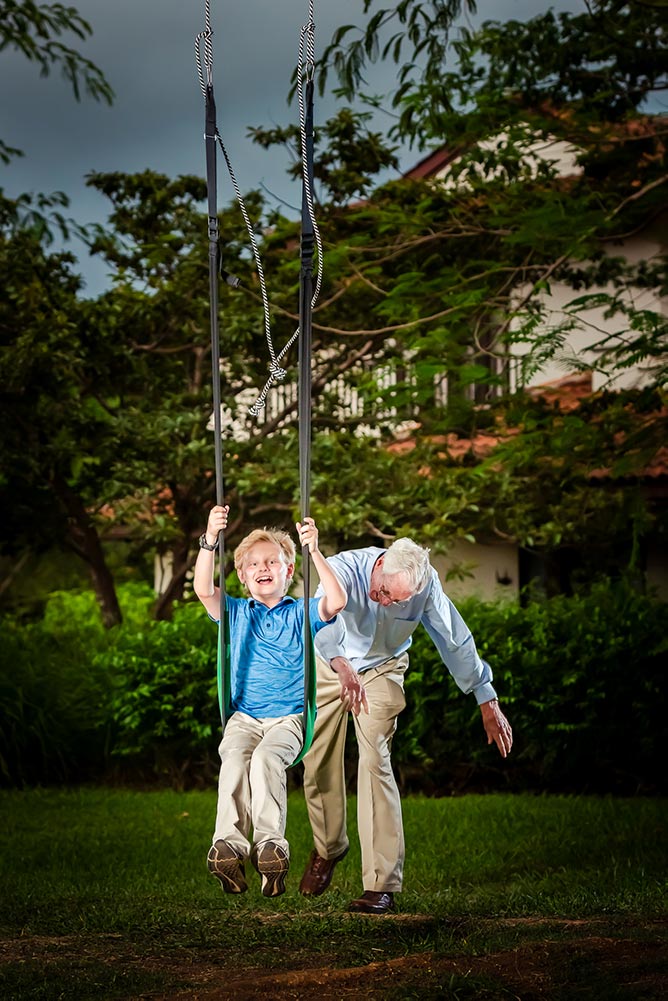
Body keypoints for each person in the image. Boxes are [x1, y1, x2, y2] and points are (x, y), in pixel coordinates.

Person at [299, 537, 513, 915]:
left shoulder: (423, 583)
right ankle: (329, 847)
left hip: (382, 669)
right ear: (379, 566)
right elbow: (321, 624)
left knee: (375, 761)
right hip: (331, 666)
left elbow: (453, 637)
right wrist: (340, 663)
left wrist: (486, 697)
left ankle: (380, 884)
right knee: (317, 761)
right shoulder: (344, 568)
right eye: (382, 593)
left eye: (396, 601)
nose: (385, 602)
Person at [194, 504, 346, 898]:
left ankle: (269, 846)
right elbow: (203, 588)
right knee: (234, 757)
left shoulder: (302, 612)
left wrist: (314, 550)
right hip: (244, 717)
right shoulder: (235, 612)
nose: (264, 568)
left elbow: (338, 599)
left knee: (265, 760)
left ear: (288, 571)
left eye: (273, 562)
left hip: (290, 720)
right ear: (242, 576)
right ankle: (228, 845)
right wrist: (210, 539)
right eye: (254, 564)